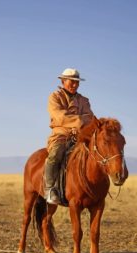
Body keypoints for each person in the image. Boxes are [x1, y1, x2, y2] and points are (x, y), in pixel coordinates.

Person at [44, 68, 94, 204]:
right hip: (60, 135)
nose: (74, 85)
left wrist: (80, 121)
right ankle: (49, 189)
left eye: (77, 82)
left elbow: (90, 118)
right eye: (71, 82)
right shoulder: (55, 97)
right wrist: (80, 120)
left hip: (81, 136)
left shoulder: (84, 100)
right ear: (63, 81)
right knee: (55, 154)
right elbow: (59, 117)